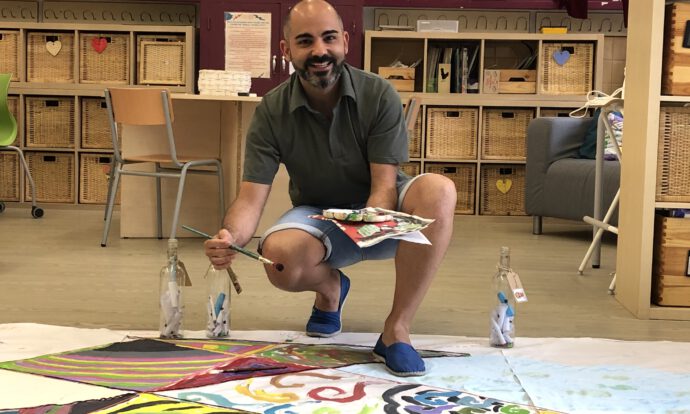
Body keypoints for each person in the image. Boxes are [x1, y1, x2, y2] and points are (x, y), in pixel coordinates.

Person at [205, 0, 456, 377]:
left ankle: (397, 329)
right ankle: (331, 290)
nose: (319, 50)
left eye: (329, 38)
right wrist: (230, 237)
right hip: (319, 214)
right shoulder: (271, 111)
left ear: (345, 42)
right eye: (305, 41)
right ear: (286, 49)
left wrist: (367, 224)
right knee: (280, 261)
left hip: (379, 210)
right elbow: (250, 198)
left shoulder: (378, 94)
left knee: (439, 190)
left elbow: (384, 186)